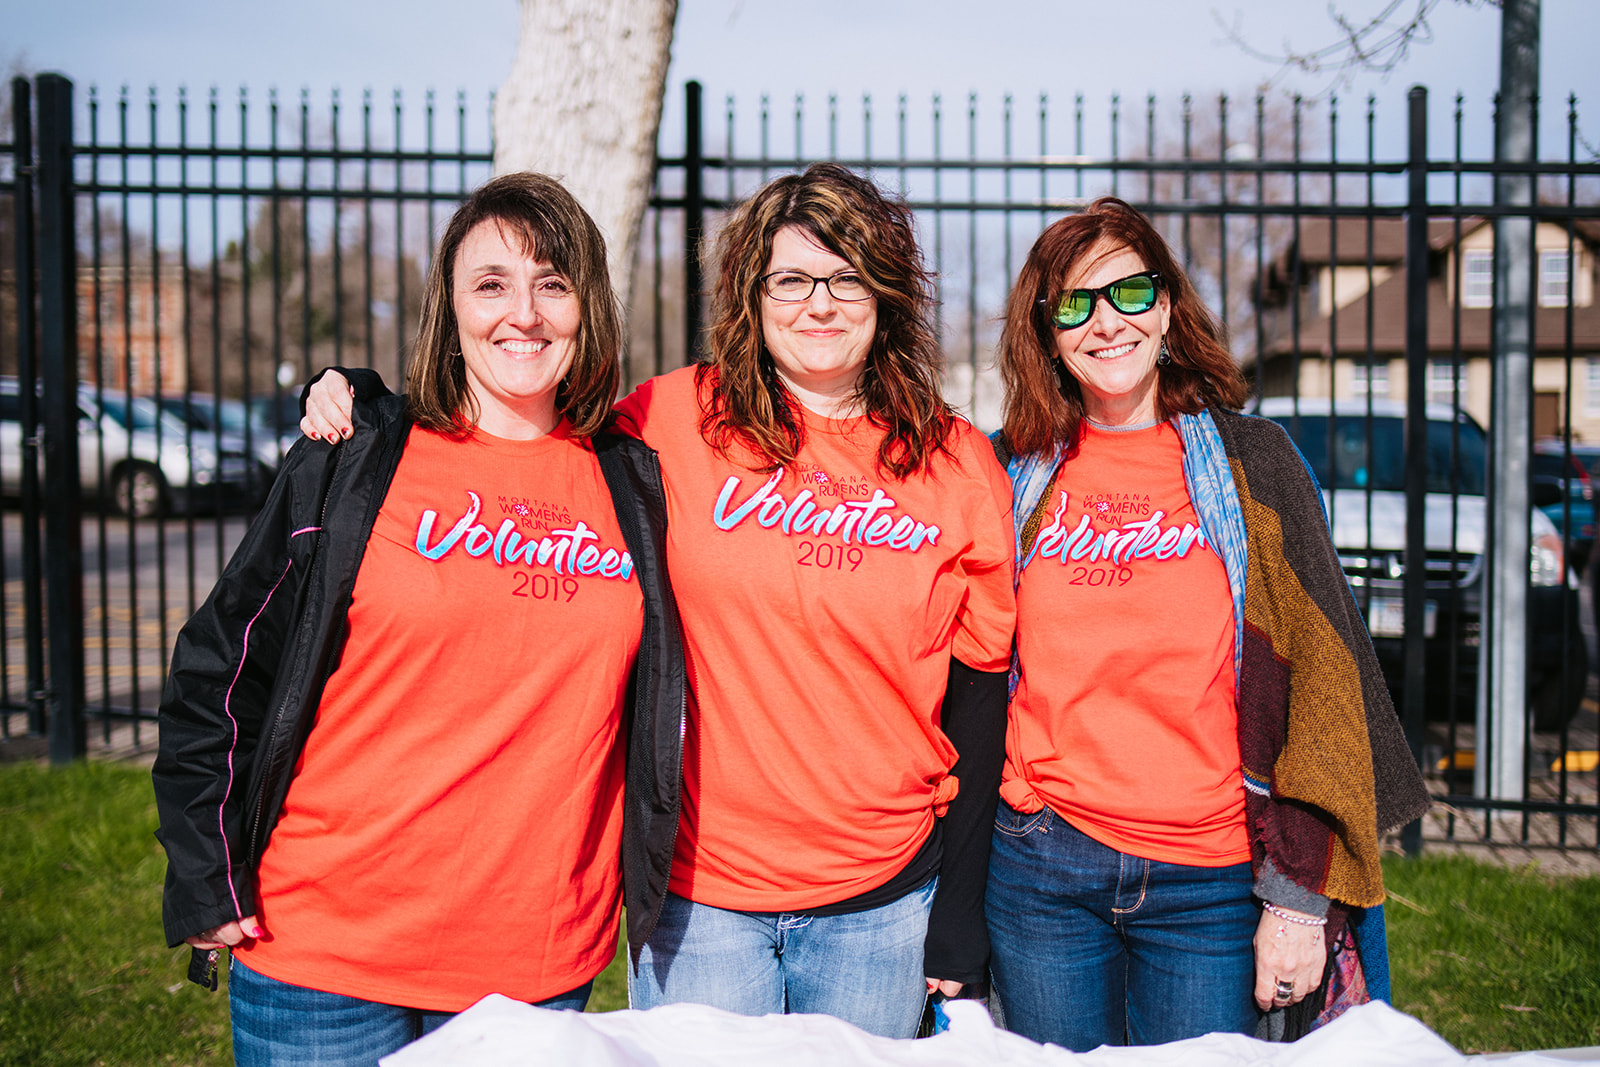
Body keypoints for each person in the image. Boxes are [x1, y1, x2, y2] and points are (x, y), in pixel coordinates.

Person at [301, 163, 1017, 1039]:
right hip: (698, 900)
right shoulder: (666, 420)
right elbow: (507, 413)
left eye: (847, 275)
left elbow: (983, 699)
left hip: (883, 901)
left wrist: (961, 915)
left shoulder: (956, 460)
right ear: (751, 295)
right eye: (790, 279)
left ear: (888, 292)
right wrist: (367, 398)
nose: (819, 303)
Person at [152, 172, 684, 1067]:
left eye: (553, 283)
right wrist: (204, 869)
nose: (524, 313)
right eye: (492, 284)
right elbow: (222, 664)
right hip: (319, 950)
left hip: (532, 964)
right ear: (451, 305)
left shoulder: (636, 482)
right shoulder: (357, 457)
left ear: (588, 305)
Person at [985, 196, 1431, 1051]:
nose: (1105, 322)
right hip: (1043, 865)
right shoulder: (1011, 469)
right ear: (1044, 330)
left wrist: (1298, 898)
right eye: (1074, 304)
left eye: (1128, 292)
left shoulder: (1254, 463)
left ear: (1167, 306)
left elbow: (1323, 686)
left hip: (1211, 872)